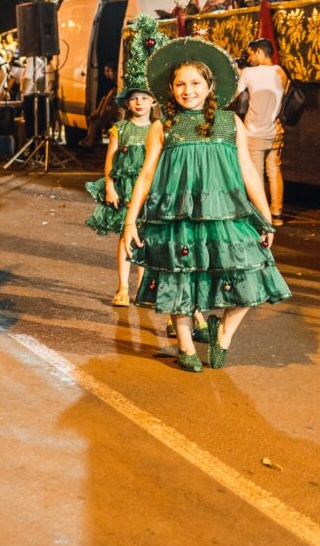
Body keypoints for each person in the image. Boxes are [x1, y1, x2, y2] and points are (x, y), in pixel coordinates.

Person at [123, 38, 291, 372]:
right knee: (177, 280)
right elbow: (144, 177)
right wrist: (130, 222)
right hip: (175, 215)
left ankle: (223, 335)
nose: (188, 90)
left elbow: (249, 174)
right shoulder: (162, 126)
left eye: (195, 83)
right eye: (180, 84)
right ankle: (185, 348)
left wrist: (265, 218)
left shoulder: (231, 123)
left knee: (250, 275)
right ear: (171, 89)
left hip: (227, 213)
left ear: (209, 86)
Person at [85, 17, 160, 307]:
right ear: (126, 103)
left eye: (144, 98)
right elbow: (111, 159)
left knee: (146, 238)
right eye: (134, 99)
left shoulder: (159, 128)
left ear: (153, 102)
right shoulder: (121, 128)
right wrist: (110, 184)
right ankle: (122, 287)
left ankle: (142, 286)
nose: (139, 103)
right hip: (127, 188)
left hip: (151, 189)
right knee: (125, 237)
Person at [236, 38, 288, 226]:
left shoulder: (248, 73)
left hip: (254, 131)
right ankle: (277, 213)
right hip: (275, 130)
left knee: (255, 173)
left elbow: (234, 94)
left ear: (259, 52)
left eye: (250, 54)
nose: (248, 59)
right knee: (274, 171)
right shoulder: (280, 72)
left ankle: (260, 214)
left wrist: (238, 73)